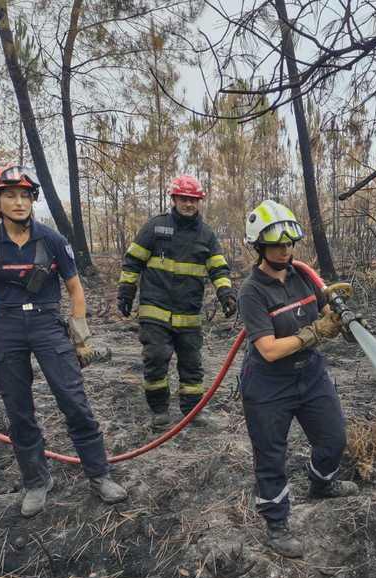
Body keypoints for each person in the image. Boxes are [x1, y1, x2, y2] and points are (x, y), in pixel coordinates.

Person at [0, 164, 127, 518]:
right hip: (5, 328)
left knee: (74, 401)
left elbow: (75, 289)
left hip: (46, 324)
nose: (19, 202)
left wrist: (81, 337)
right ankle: (36, 482)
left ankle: (99, 475)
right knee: (18, 410)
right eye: (10, 195)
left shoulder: (53, 240)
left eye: (25, 196)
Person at [237, 200, 359, 558]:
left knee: (334, 437)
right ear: (259, 246)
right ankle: (276, 524)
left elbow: (326, 311)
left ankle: (322, 483)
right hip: (268, 385)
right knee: (271, 456)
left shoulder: (303, 275)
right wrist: (315, 334)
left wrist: (344, 321)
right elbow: (269, 350)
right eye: (277, 244)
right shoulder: (251, 292)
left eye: (289, 243)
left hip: (311, 375)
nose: (285, 250)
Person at [117, 175, 236, 430]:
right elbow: (133, 261)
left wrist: (225, 294)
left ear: (199, 202)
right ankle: (159, 412)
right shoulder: (156, 227)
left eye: (193, 200)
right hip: (155, 309)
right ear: (174, 199)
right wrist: (126, 291)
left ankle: (192, 413)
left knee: (192, 365)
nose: (188, 204)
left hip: (188, 313)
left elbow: (219, 268)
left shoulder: (206, 235)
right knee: (157, 356)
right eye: (184, 198)